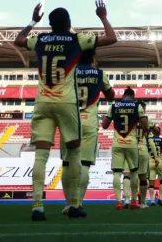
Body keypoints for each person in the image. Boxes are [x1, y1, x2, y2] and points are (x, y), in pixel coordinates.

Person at [14, 0, 117, 221]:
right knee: (75, 154)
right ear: (69, 23)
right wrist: (103, 16)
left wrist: (33, 20)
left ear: (50, 24)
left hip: (42, 102)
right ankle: (74, 204)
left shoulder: (40, 40)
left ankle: (37, 206)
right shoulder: (76, 39)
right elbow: (111, 38)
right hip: (67, 104)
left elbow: (19, 40)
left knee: (40, 156)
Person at [61, 49, 115, 216]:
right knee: (84, 164)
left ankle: (68, 203)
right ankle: (78, 204)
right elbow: (111, 96)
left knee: (67, 163)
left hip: (69, 119)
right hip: (88, 121)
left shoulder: (69, 72)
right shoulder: (99, 73)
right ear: (92, 59)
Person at [102, 87, 148, 210]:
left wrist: (104, 118)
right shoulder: (137, 106)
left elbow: (105, 126)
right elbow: (145, 125)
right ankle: (133, 201)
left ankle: (118, 202)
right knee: (133, 172)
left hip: (117, 142)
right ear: (133, 96)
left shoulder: (114, 106)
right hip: (131, 143)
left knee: (117, 173)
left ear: (123, 96)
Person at [148, 126, 162, 206]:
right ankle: (160, 198)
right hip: (160, 161)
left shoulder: (148, 140)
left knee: (151, 183)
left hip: (150, 161)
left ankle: (152, 201)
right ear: (160, 132)